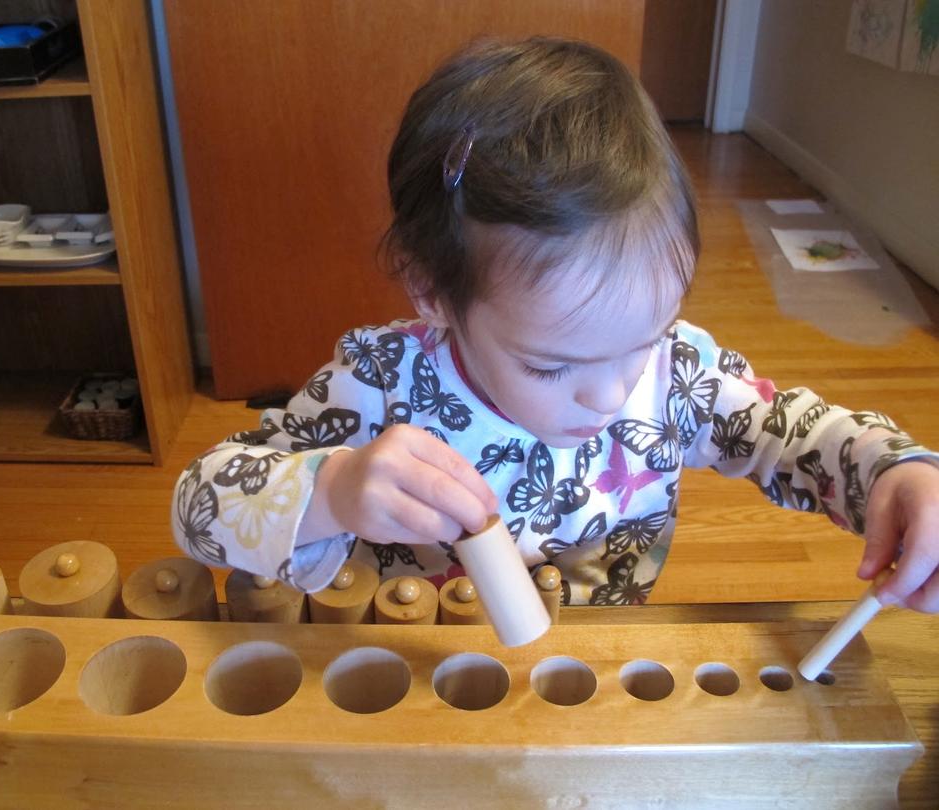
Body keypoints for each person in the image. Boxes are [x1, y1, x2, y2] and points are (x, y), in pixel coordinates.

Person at [171, 36, 939, 611]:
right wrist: (334, 491)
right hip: (407, 673)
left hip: (588, 682)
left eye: (643, 341)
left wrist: (895, 475)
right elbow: (197, 506)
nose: (611, 395)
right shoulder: (378, 385)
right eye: (550, 365)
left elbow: (787, 433)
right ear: (431, 287)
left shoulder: (675, 377)